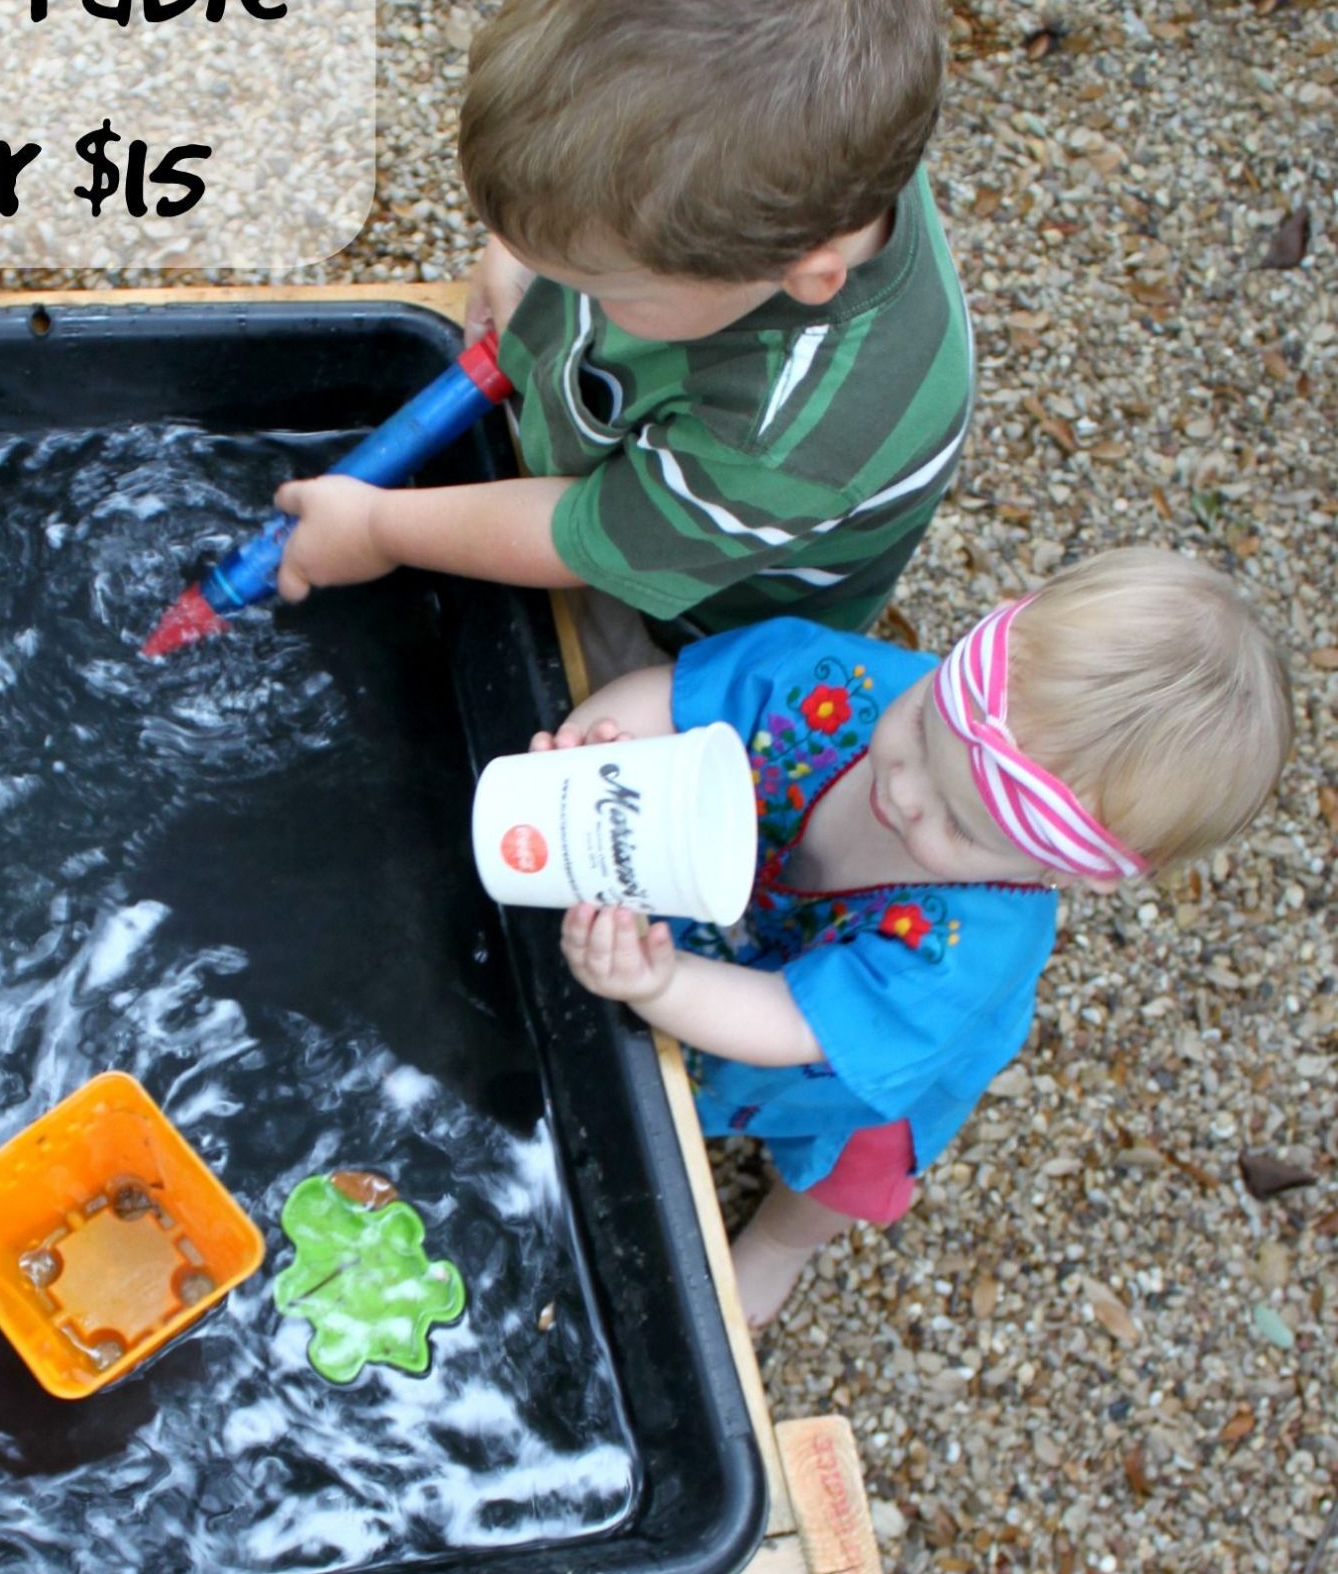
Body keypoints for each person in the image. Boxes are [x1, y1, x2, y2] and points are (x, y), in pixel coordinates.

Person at [539, 551, 1293, 1327]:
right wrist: (596, 762)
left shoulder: (966, 957)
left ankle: (780, 1246)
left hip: (845, 1045)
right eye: (925, 727)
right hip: (752, 941)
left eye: (959, 823)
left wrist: (661, 987)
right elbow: (679, 700)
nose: (901, 789)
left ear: (1083, 872)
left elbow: (793, 1023)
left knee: (849, 1165)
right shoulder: (841, 683)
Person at [274, 0, 973, 669]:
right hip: (632, 442)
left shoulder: (791, 434)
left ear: (803, 273)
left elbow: (582, 536)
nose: (565, 291)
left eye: (600, 287)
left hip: (690, 606)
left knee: (571, 669)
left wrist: (378, 528)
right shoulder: (800, 161)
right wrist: (522, 247)